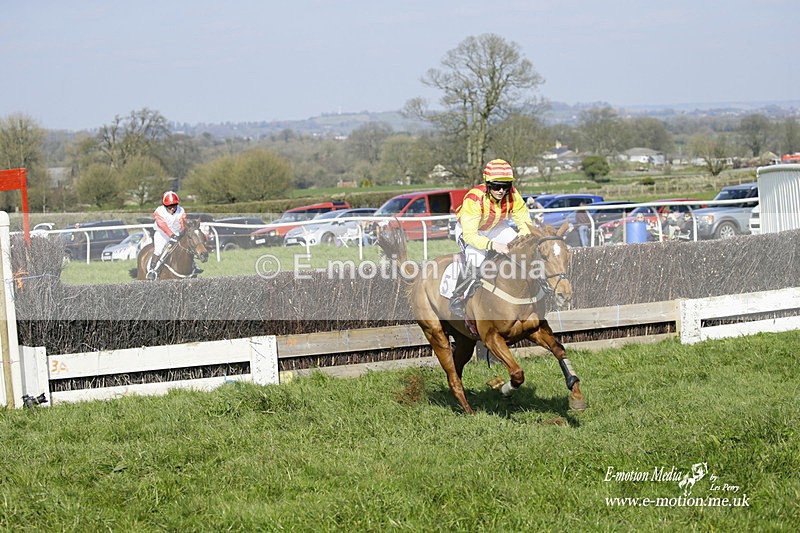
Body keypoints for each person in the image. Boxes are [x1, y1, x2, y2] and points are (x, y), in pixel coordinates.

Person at [449, 159, 532, 317]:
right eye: (496, 186)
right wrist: (494, 246)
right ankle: (457, 298)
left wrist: (520, 242)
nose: (501, 190)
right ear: (487, 183)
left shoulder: (513, 195)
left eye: (506, 186)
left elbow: (526, 225)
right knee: (477, 258)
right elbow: (471, 236)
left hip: (495, 227)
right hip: (469, 231)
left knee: (521, 250)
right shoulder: (474, 199)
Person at [147, 191, 198, 280]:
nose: (172, 209)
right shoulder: (159, 211)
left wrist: (183, 231)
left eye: (174, 206)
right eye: (170, 207)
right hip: (161, 234)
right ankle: (153, 270)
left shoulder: (181, 210)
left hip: (176, 233)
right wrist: (171, 235)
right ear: (165, 206)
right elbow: (162, 225)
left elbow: (183, 222)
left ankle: (194, 266)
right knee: (159, 250)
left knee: (186, 247)